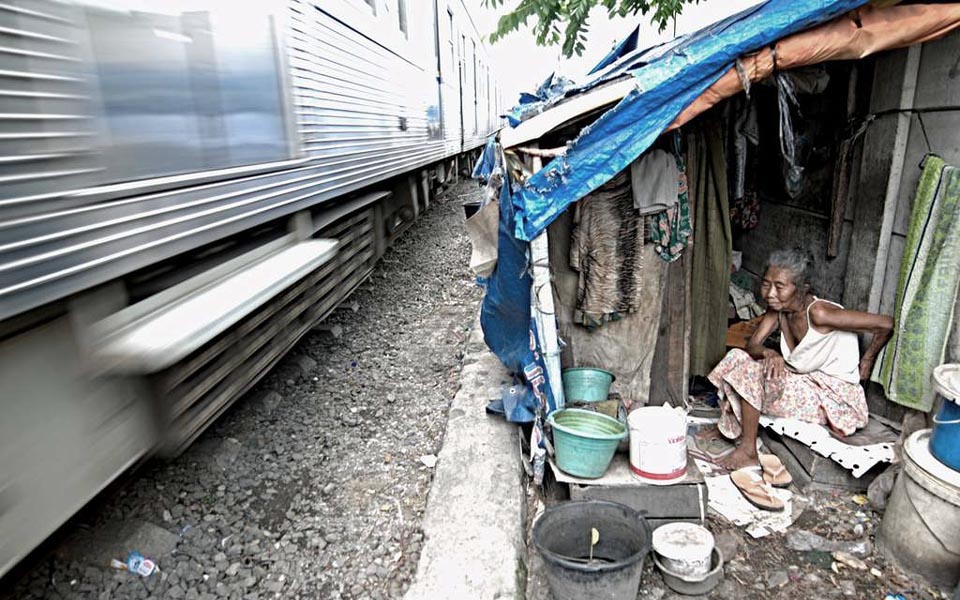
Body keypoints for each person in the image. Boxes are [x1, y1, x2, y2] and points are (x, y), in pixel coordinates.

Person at [702, 248, 894, 471]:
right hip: (805, 381)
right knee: (737, 357)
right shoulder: (779, 309)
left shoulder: (820, 314)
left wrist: (867, 361)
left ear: (802, 289)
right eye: (766, 284)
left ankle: (748, 450)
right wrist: (768, 353)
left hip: (835, 397)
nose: (770, 293)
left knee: (750, 374)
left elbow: (886, 324)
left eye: (780, 287)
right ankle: (728, 427)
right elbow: (752, 345)